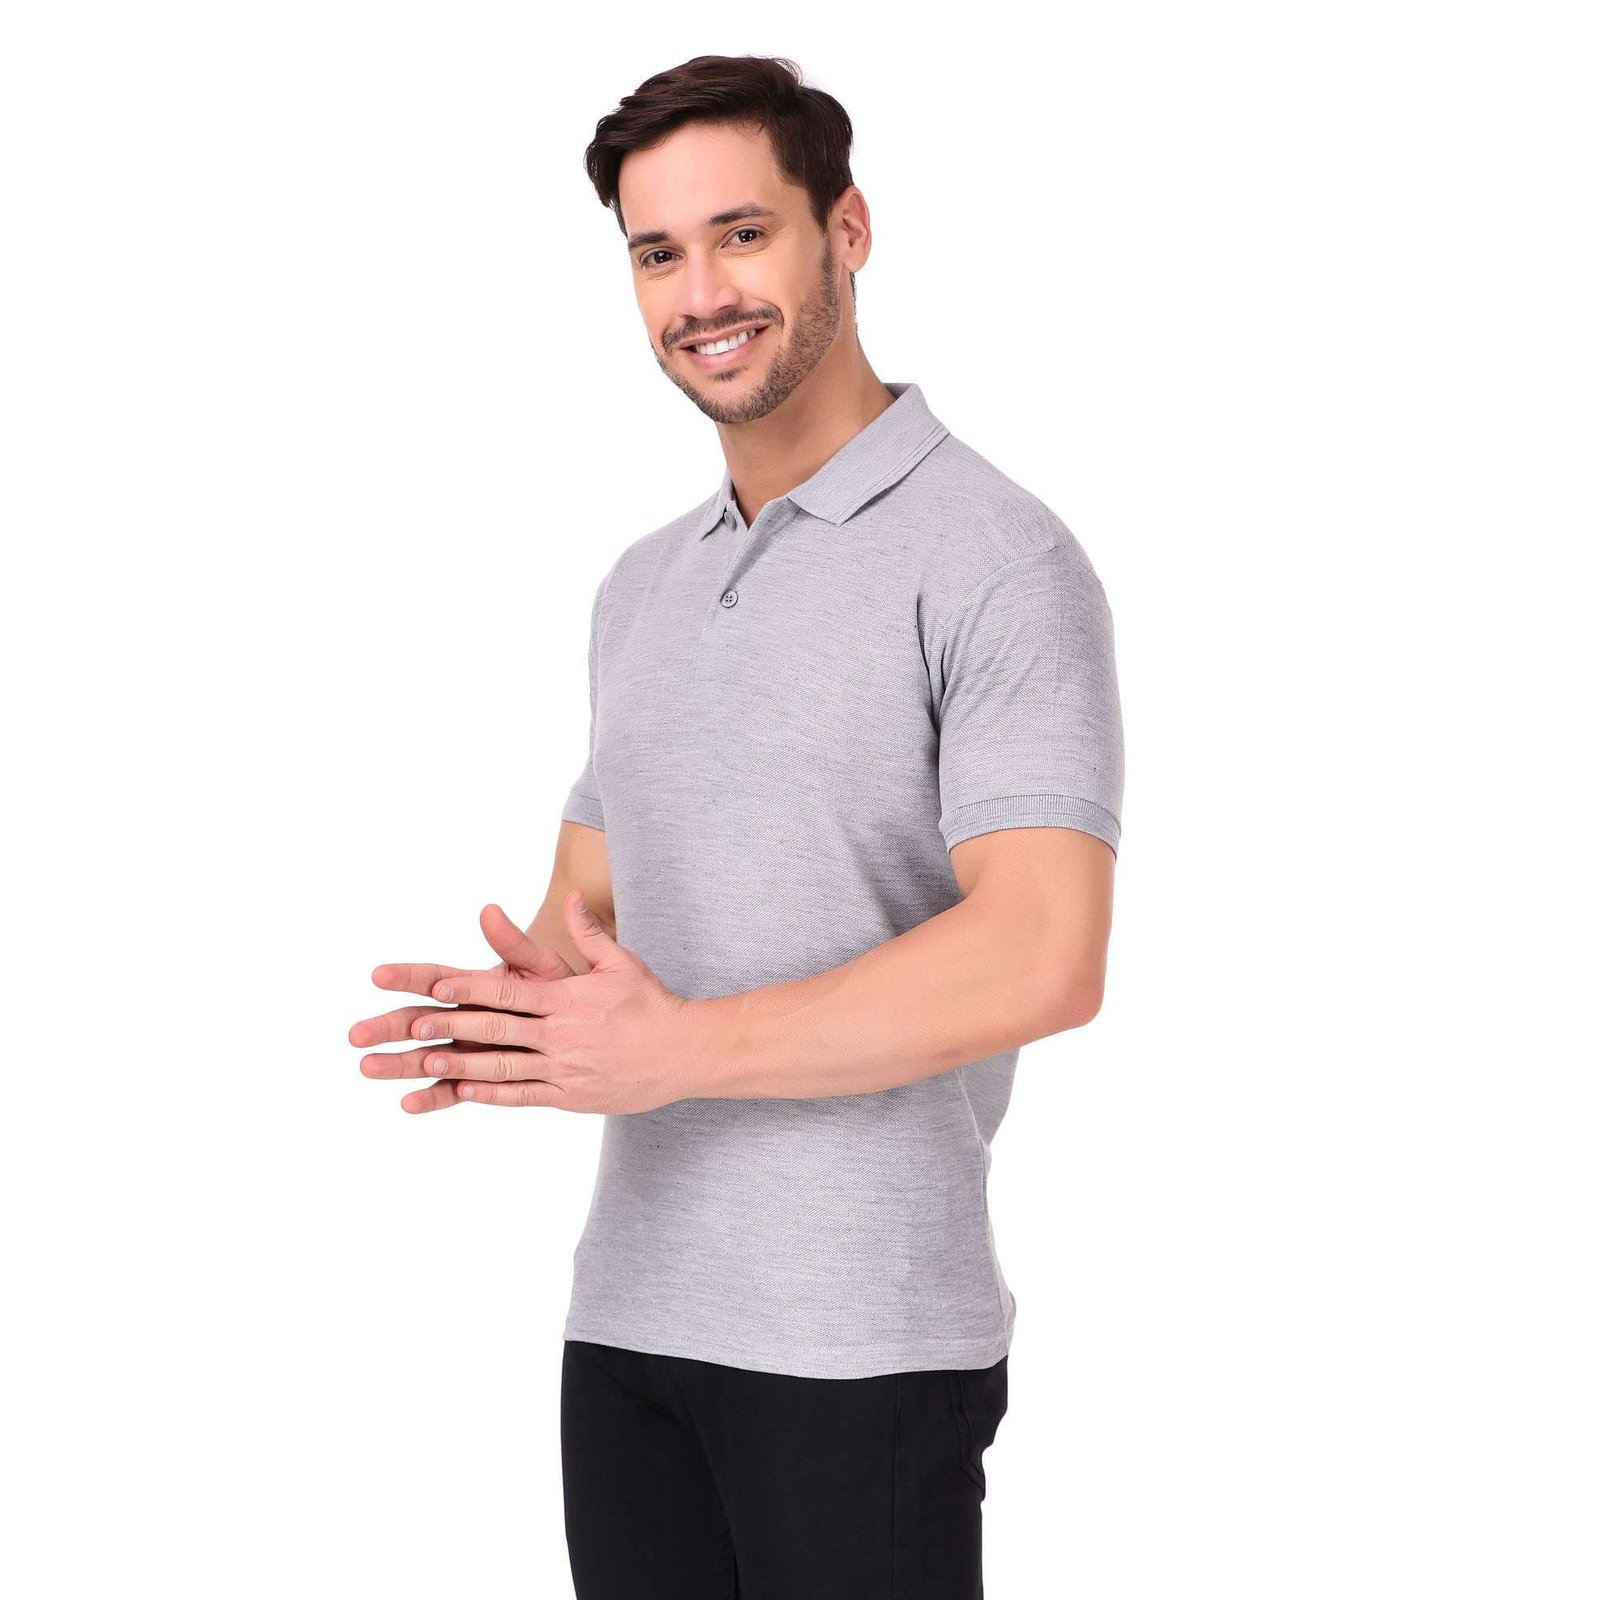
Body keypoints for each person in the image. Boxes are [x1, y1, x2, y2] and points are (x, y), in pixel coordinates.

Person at [350, 52, 1124, 1599]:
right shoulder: (641, 584)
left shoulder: (998, 556)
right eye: (658, 253)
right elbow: (593, 915)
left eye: (743, 234)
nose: (700, 293)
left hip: (860, 1343)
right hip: (629, 1324)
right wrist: (516, 1017)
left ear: (848, 229)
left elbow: (1045, 954)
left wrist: (676, 1051)